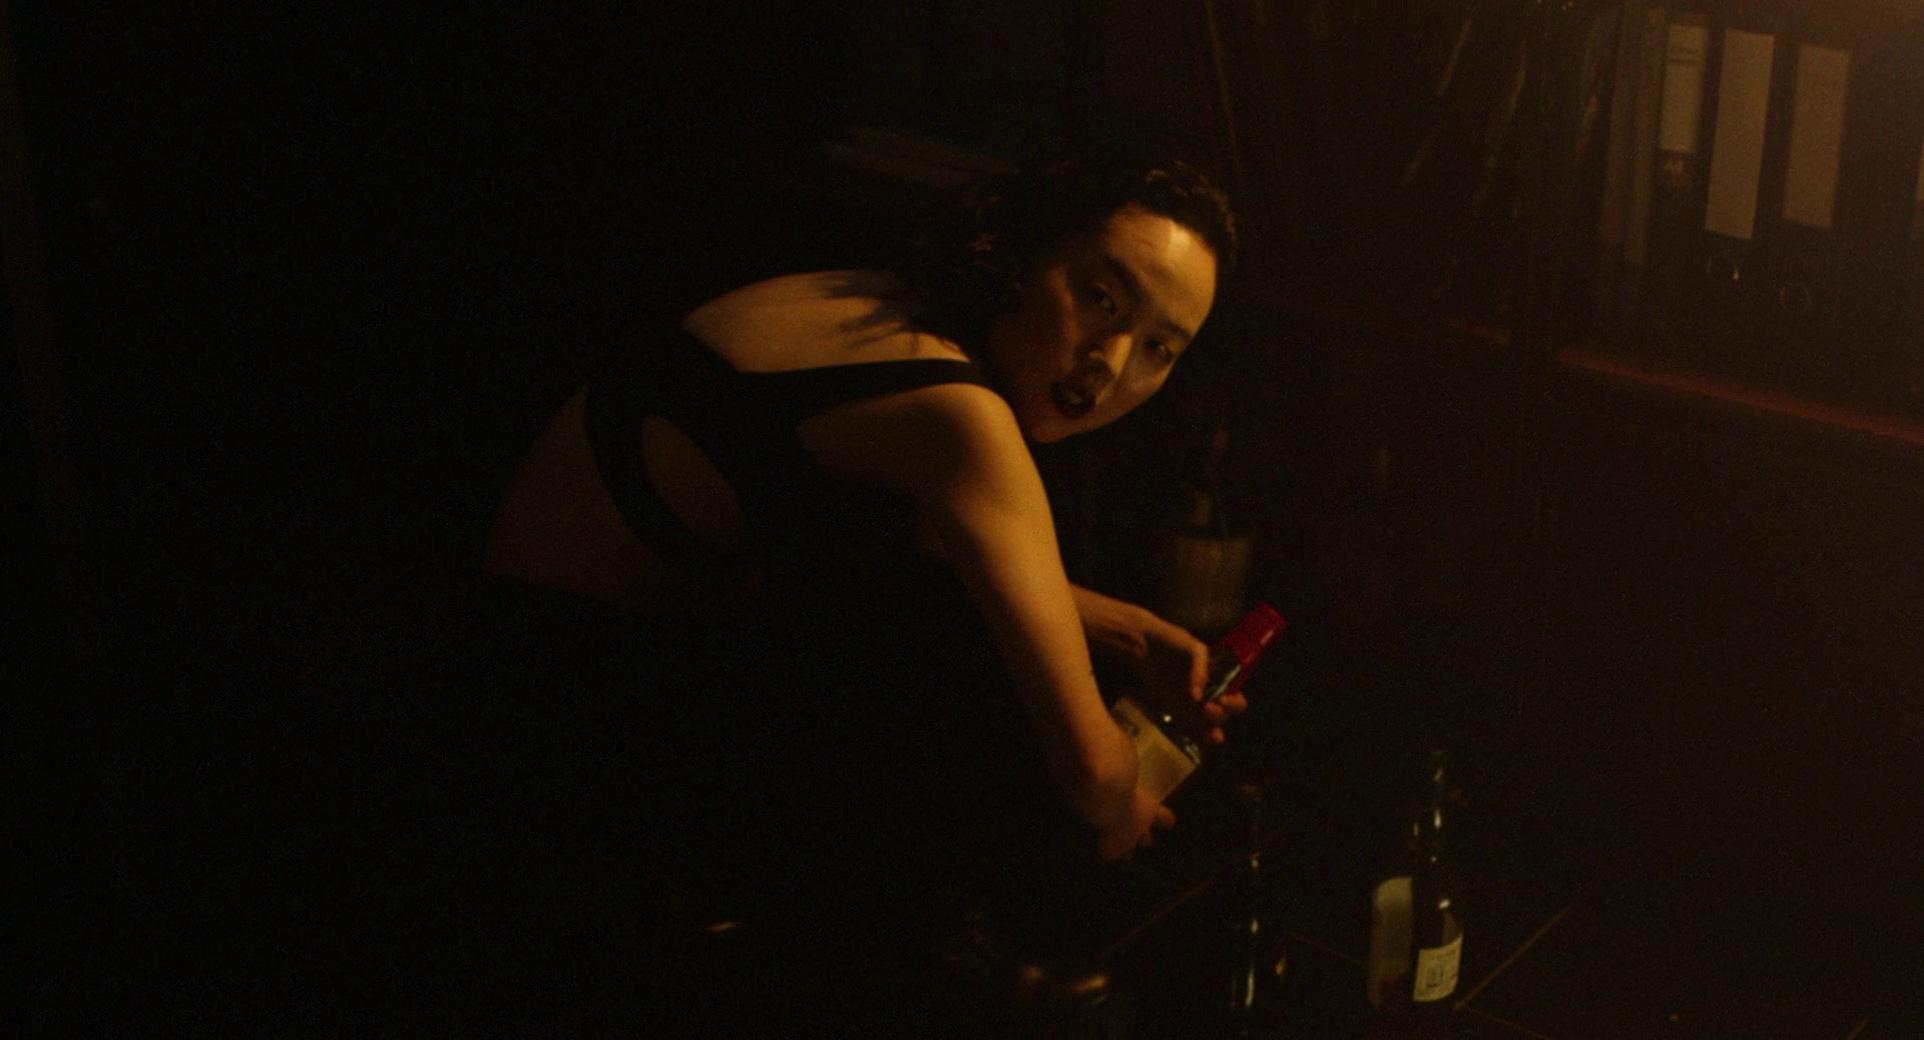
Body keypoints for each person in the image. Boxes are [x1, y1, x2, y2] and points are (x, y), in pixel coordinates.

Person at [479, 154, 1248, 980]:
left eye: (1160, 347)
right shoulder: (964, 422)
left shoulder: (890, 306)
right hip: (566, 737)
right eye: (1101, 300)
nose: (1113, 362)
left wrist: (1126, 630)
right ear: (1030, 253)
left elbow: (928, 543)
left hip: (524, 657)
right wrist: (1123, 805)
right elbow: (1092, 769)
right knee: (972, 714)